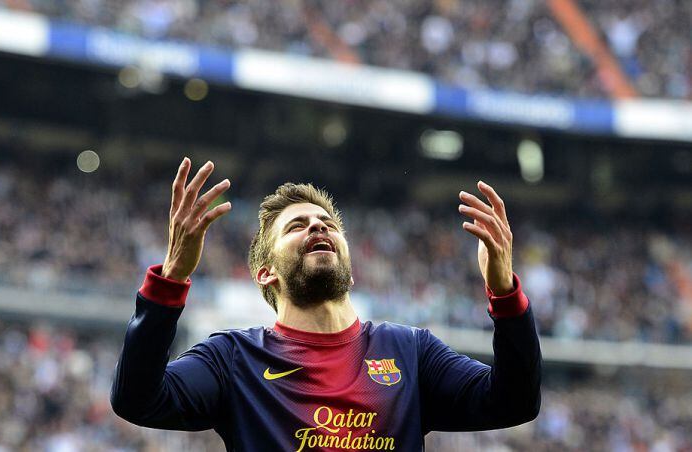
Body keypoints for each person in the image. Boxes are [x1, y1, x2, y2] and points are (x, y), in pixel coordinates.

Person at [110, 158, 541, 451]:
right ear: (266, 273)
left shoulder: (410, 352)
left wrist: (504, 291)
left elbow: (515, 401)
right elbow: (138, 400)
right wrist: (171, 278)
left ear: (350, 269)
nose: (318, 224)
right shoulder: (233, 360)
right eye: (297, 225)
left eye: (328, 223)